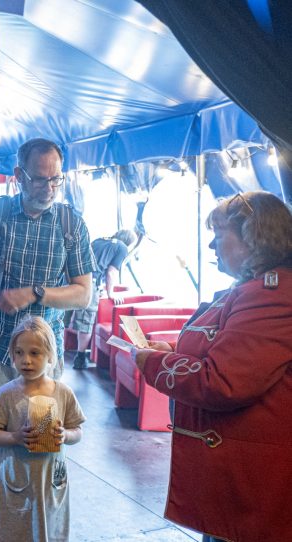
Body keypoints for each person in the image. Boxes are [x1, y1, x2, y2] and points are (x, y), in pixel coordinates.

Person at [132, 191, 292, 542]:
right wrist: (173, 350)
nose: (211, 246)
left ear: (254, 238)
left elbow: (224, 381)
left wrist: (156, 363)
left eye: (219, 236)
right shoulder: (254, 290)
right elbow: (226, 349)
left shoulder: (271, 295)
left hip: (251, 484)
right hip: (237, 476)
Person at [0, 138, 94, 443]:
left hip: (43, 356)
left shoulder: (72, 225)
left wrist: (34, 293)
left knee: (40, 443)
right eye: (40, 179)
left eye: (56, 178)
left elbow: (83, 294)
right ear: (18, 175)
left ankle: (31, 492)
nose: (49, 187)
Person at [0, 316, 85, 542]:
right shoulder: (7, 394)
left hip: (50, 480)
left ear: (50, 354)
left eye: (34, 353)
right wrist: (14, 437)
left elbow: (77, 430)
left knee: (49, 529)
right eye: (19, 353)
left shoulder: (63, 393)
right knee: (14, 529)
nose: (26, 360)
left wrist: (65, 435)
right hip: (16, 477)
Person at [69, 229, 137, 369]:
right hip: (88, 282)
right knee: (85, 321)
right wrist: (111, 293)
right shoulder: (122, 247)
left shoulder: (99, 240)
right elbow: (111, 272)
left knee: (62, 316)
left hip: (71, 278)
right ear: (129, 242)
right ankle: (80, 358)